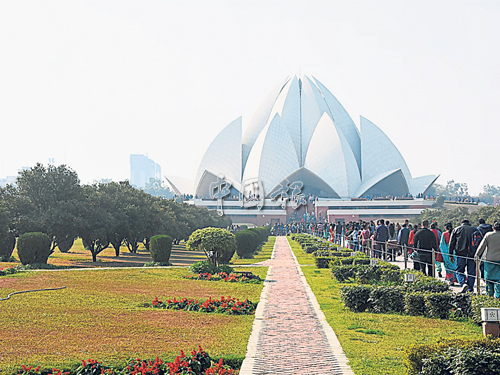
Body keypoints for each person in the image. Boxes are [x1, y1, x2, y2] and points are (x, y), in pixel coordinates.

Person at [449, 219, 477, 293]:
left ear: (461, 223)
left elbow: (451, 243)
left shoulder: (456, 229)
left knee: (459, 271)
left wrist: (450, 254)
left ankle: (463, 283)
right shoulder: (474, 229)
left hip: (460, 254)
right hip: (472, 254)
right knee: (471, 272)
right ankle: (470, 289)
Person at [475, 221, 500, 298]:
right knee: (499, 281)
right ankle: (498, 297)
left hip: (489, 260)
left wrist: (477, 256)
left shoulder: (488, 235)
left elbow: (481, 247)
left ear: (493, 228)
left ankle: (490, 296)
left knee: (489, 279)